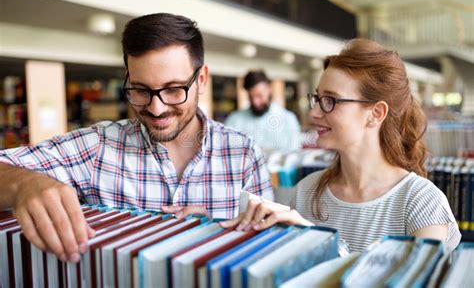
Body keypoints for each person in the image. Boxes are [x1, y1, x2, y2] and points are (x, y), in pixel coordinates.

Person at [0, 13, 273, 263]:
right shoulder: (97, 147)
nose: (157, 108)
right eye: (141, 90)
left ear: (201, 79)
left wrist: (216, 234)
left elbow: (269, 251)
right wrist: (23, 184)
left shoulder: (244, 154)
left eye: (174, 89)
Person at [221, 39, 461, 253]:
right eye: (317, 98)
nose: (314, 113)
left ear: (376, 113)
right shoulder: (306, 193)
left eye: (330, 101)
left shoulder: (421, 202)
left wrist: (325, 246)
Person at [225, 70, 301, 154]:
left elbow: (295, 154)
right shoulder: (235, 120)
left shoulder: (288, 119)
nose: (255, 102)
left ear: (269, 90)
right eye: (251, 97)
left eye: (259, 96)